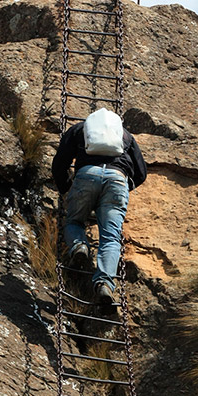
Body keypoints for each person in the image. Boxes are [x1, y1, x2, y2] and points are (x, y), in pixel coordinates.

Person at [51, 111, 147, 307]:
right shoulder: (126, 135)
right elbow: (141, 173)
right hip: (118, 180)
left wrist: (66, 187)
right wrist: (121, 190)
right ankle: (104, 283)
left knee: (74, 221)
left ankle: (79, 246)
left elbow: (59, 162)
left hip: (87, 175)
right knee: (111, 238)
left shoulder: (80, 129)